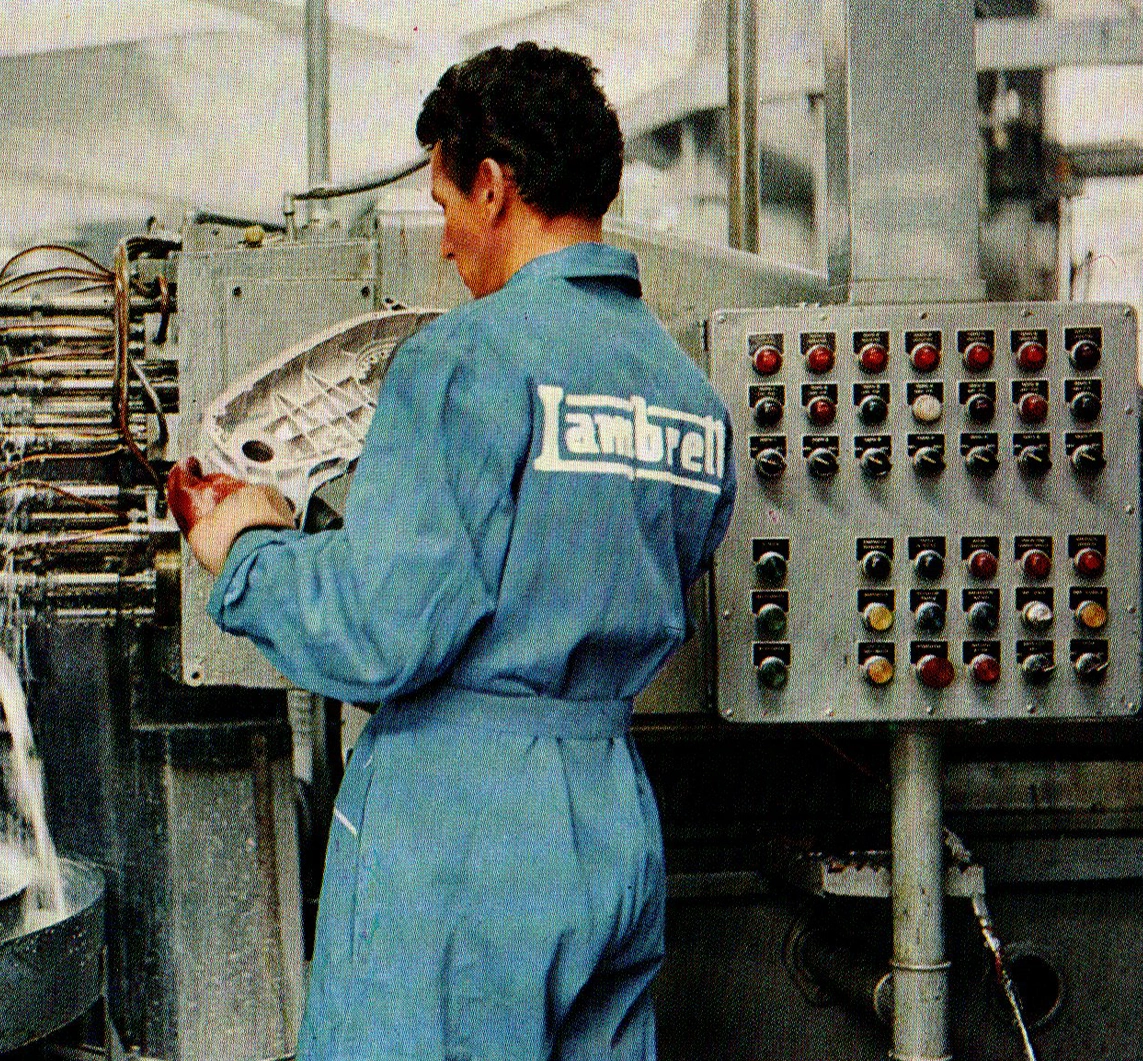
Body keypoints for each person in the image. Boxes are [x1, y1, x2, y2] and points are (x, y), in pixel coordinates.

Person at [168, 42, 736, 1061]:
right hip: (612, 811)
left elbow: (379, 630)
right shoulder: (687, 395)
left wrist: (246, 545)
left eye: (444, 205)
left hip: (463, 829)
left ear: (494, 184)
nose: (443, 245)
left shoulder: (465, 358)